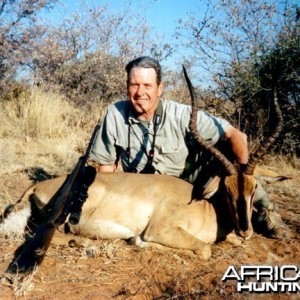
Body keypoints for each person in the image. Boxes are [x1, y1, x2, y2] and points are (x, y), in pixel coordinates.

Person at [89, 56, 290, 239]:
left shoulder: (181, 114)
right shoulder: (114, 114)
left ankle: (266, 212)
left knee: (240, 178)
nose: (140, 92)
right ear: (127, 86)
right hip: (152, 190)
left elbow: (236, 135)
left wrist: (242, 174)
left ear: (160, 88)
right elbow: (107, 170)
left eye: (147, 85)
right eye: (134, 85)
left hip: (193, 179)